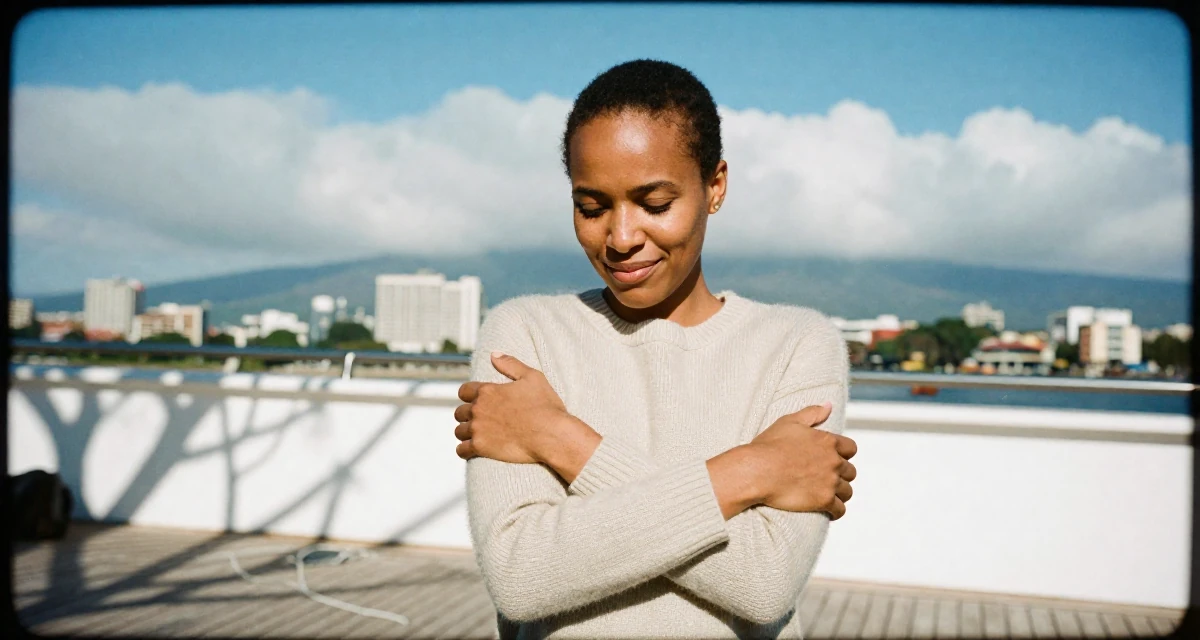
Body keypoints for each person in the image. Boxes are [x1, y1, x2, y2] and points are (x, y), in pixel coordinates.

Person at [452, 59, 858, 639]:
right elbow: (521, 577)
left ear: (715, 186)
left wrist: (559, 438)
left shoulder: (797, 344)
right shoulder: (524, 334)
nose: (620, 238)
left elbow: (765, 584)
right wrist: (750, 470)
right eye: (592, 208)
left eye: (656, 204)